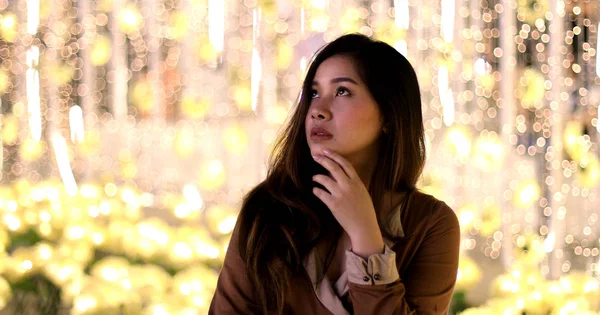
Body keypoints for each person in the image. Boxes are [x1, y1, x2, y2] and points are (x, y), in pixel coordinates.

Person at [209, 33, 460, 315]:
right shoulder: (268, 207)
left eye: (342, 91)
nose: (318, 110)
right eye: (314, 93)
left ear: (389, 116)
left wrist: (367, 239)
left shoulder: (431, 225)